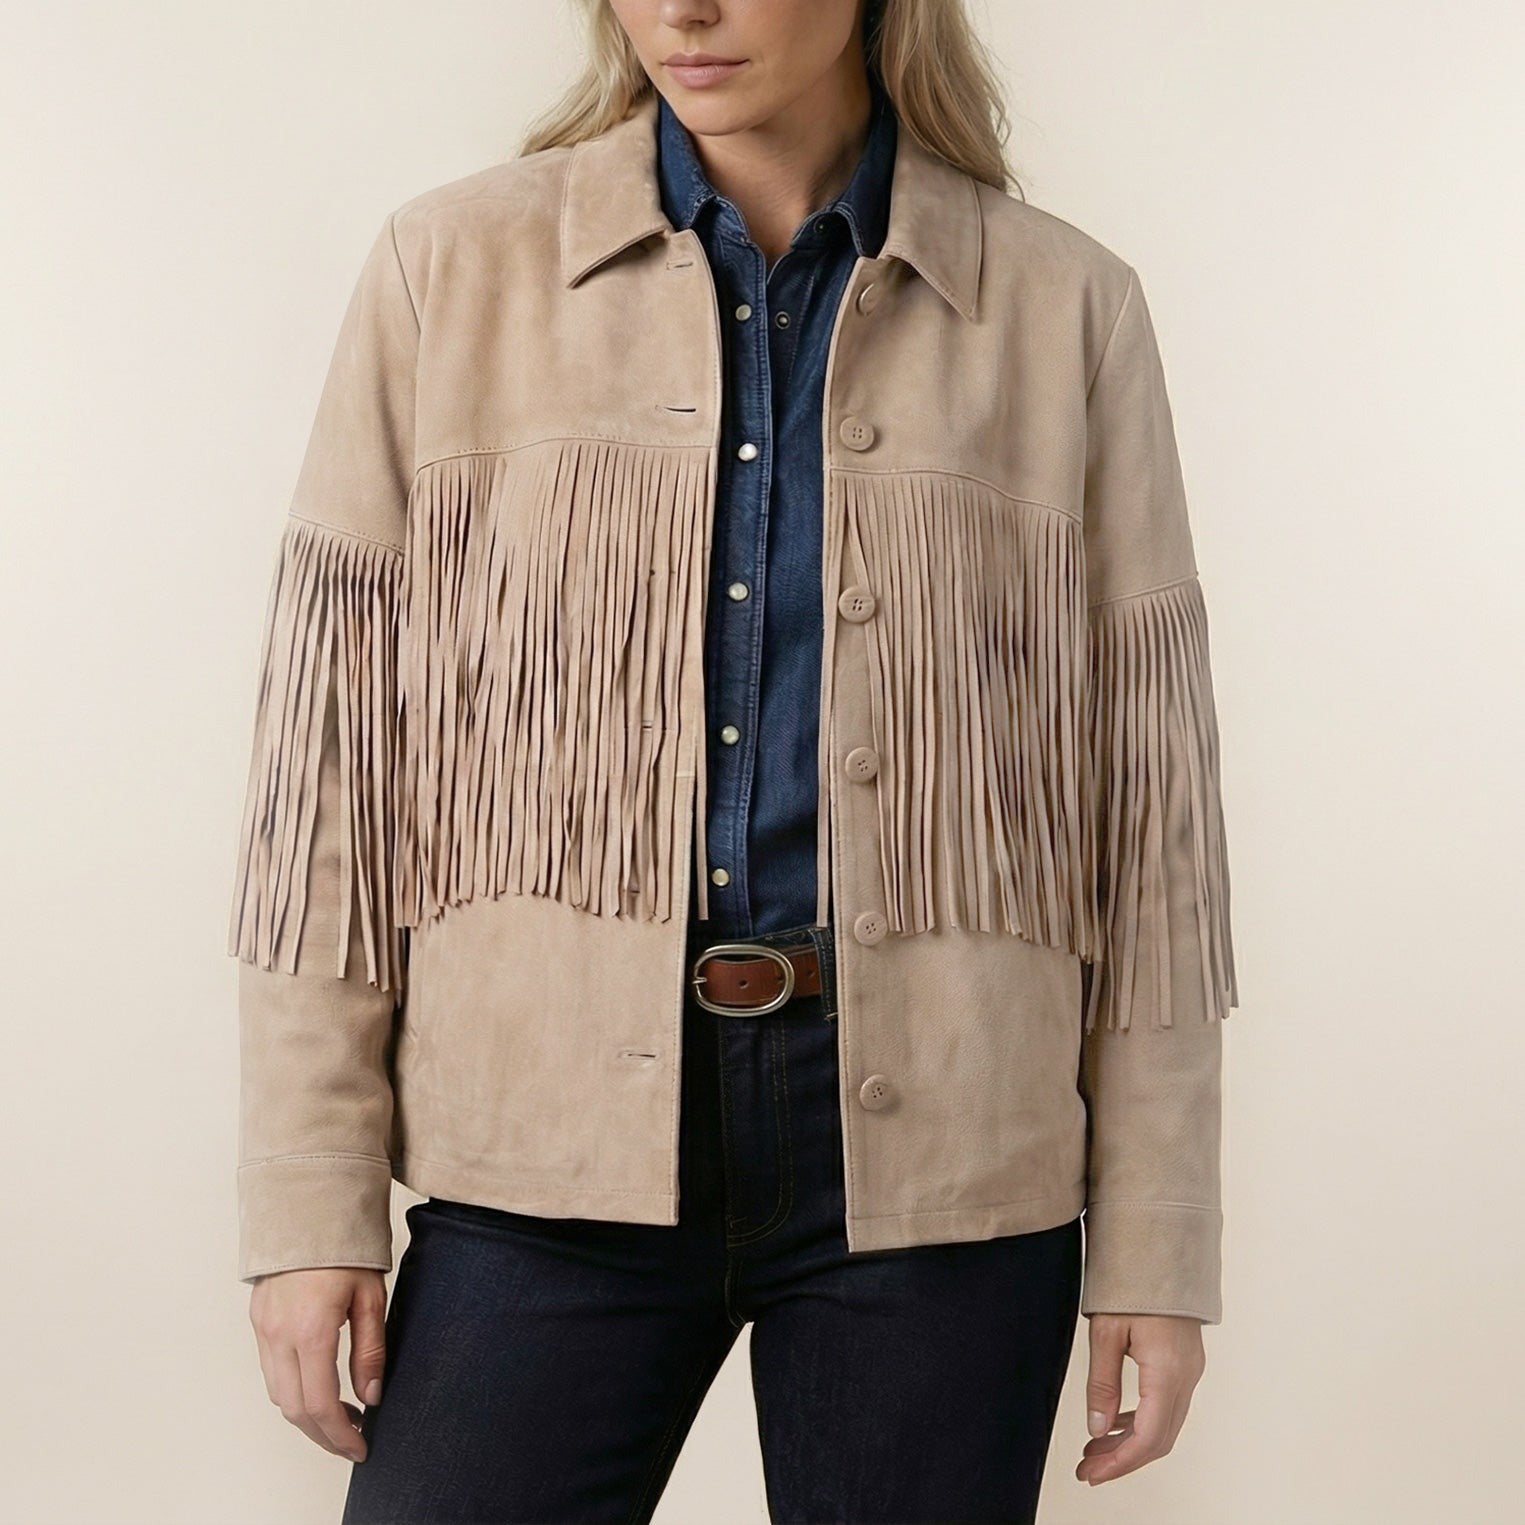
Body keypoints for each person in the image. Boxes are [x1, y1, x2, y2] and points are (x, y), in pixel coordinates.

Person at [227, 1, 1239, 1520]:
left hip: (943, 1158)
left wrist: (1156, 1232)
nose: (684, 9)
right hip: (541, 1138)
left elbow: (1146, 800)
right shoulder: (454, 269)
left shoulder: (1063, 307)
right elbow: (332, 769)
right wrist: (310, 1199)